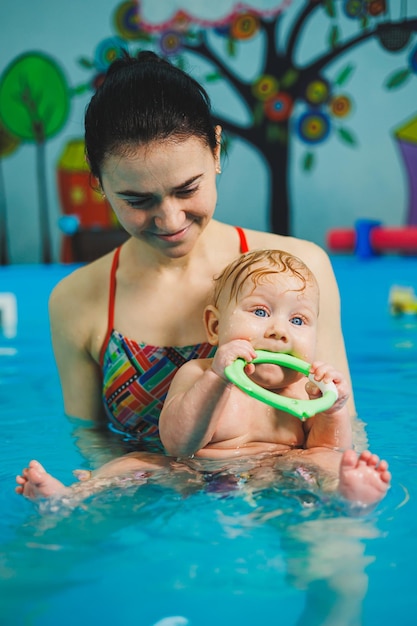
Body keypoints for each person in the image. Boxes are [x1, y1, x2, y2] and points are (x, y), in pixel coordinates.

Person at [48, 50, 358, 460]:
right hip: (148, 509)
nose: (169, 219)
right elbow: (91, 444)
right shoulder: (77, 301)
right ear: (99, 181)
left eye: (186, 189)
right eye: (137, 199)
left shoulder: (298, 272)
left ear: (215, 148)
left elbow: (341, 432)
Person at [16, 251, 390, 506]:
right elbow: (179, 444)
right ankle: (72, 497)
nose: (279, 331)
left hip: (282, 470)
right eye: (260, 311)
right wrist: (217, 378)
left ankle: (346, 493)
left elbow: (327, 448)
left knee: (324, 463)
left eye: (298, 321)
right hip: (194, 471)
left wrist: (334, 408)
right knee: (133, 463)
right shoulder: (196, 372)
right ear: (214, 326)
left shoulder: (306, 391)